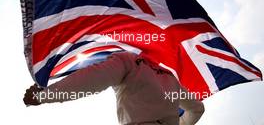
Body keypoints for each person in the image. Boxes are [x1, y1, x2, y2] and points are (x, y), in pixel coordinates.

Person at [24, 51, 204, 125]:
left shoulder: (128, 60)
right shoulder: (169, 77)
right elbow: (197, 109)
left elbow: (91, 80)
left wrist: (44, 96)